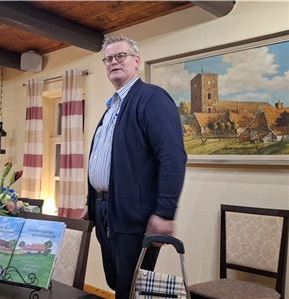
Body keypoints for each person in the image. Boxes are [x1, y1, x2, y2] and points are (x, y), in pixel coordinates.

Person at [87, 35, 187, 299]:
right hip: (105, 210)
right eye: (108, 59)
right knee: (117, 280)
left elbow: (173, 156)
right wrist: (92, 209)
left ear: (136, 62)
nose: (113, 62)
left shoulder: (151, 98)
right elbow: (104, 159)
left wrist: (165, 212)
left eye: (120, 56)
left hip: (133, 214)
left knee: (131, 288)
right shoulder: (111, 109)